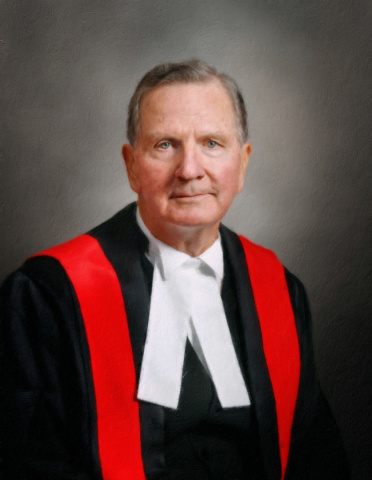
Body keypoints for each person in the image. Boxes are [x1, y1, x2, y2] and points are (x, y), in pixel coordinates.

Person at [0, 59, 349, 480]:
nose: (189, 170)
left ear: (242, 164)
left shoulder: (280, 290)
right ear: (131, 165)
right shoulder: (46, 296)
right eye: (165, 144)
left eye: (212, 144)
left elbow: (317, 459)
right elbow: (26, 466)